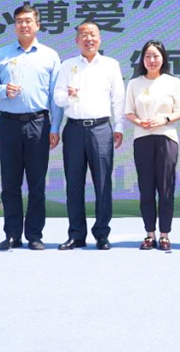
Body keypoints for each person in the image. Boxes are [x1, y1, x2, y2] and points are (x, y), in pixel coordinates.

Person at [0, 4, 63, 251]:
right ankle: (12, 235)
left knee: (37, 184)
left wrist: (55, 127)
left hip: (38, 123)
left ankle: (35, 235)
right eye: (19, 21)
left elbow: (56, 96)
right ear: (14, 26)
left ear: (37, 25)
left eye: (28, 21)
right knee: (10, 183)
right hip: (8, 124)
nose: (24, 25)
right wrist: (3, 90)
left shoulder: (50, 56)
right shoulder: (2, 54)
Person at [53, 20, 125, 250]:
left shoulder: (111, 65)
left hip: (101, 128)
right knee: (74, 184)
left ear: (100, 39)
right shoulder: (68, 66)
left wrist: (119, 126)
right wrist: (69, 95)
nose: (89, 39)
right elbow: (57, 98)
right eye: (84, 35)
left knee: (102, 183)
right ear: (77, 40)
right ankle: (76, 234)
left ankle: (102, 234)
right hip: (74, 129)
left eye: (93, 34)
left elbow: (118, 98)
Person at [124, 40, 180, 251]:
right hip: (142, 138)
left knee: (166, 188)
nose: (152, 60)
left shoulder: (173, 82)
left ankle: (165, 234)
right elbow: (129, 112)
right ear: (142, 59)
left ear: (163, 58)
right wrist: (139, 122)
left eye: (156, 56)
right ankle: (149, 234)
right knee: (146, 188)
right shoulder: (134, 84)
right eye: (148, 56)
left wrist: (164, 119)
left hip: (166, 137)